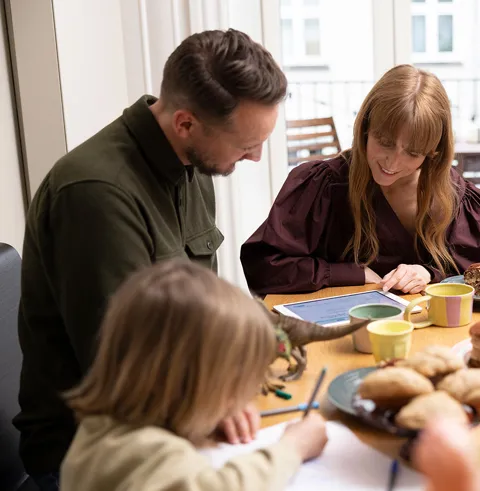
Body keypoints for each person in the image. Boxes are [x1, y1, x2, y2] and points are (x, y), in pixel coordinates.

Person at [14, 29, 287, 488]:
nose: (257, 157)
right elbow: (122, 366)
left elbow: (195, 318)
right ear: (185, 124)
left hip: (176, 420)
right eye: (245, 146)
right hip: (93, 456)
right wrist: (217, 399)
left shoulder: (194, 163)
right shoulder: (95, 194)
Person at [59, 260, 328, 490]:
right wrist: (292, 448)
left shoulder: (99, 429)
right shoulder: (154, 457)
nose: (238, 403)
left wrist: (206, 417)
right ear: (190, 386)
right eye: (233, 391)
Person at [240, 64, 480, 296]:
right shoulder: (322, 187)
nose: (393, 163)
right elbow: (264, 267)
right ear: (365, 127)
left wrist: (429, 274)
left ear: (433, 153)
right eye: (384, 142)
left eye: (412, 153)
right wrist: (351, 273)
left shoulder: (459, 201)